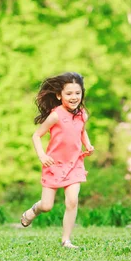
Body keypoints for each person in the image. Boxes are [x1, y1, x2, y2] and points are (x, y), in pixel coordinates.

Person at [20, 72, 94, 249]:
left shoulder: (83, 114)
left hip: (74, 163)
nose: (74, 97)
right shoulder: (56, 115)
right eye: (69, 93)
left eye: (77, 93)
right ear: (59, 95)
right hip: (54, 165)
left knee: (72, 201)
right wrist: (42, 156)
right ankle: (32, 211)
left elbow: (82, 130)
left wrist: (88, 144)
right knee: (46, 206)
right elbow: (36, 135)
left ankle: (66, 240)